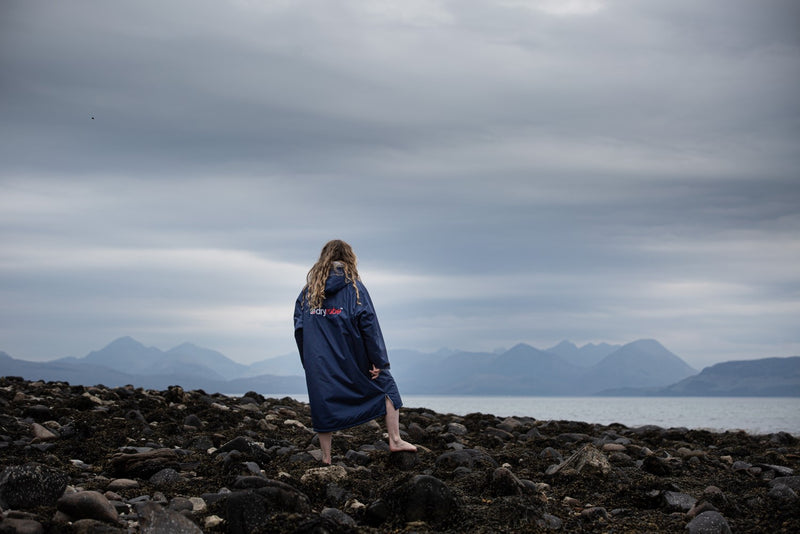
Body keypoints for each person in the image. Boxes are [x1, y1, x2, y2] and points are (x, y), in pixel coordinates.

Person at [293, 239, 417, 465]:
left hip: (319, 362)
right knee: (386, 385)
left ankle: (327, 457)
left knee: (323, 402)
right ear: (349, 259)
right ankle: (395, 439)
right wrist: (379, 361)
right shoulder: (355, 289)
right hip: (353, 360)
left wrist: (308, 362)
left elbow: (299, 329)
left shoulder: (308, 293)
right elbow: (370, 327)